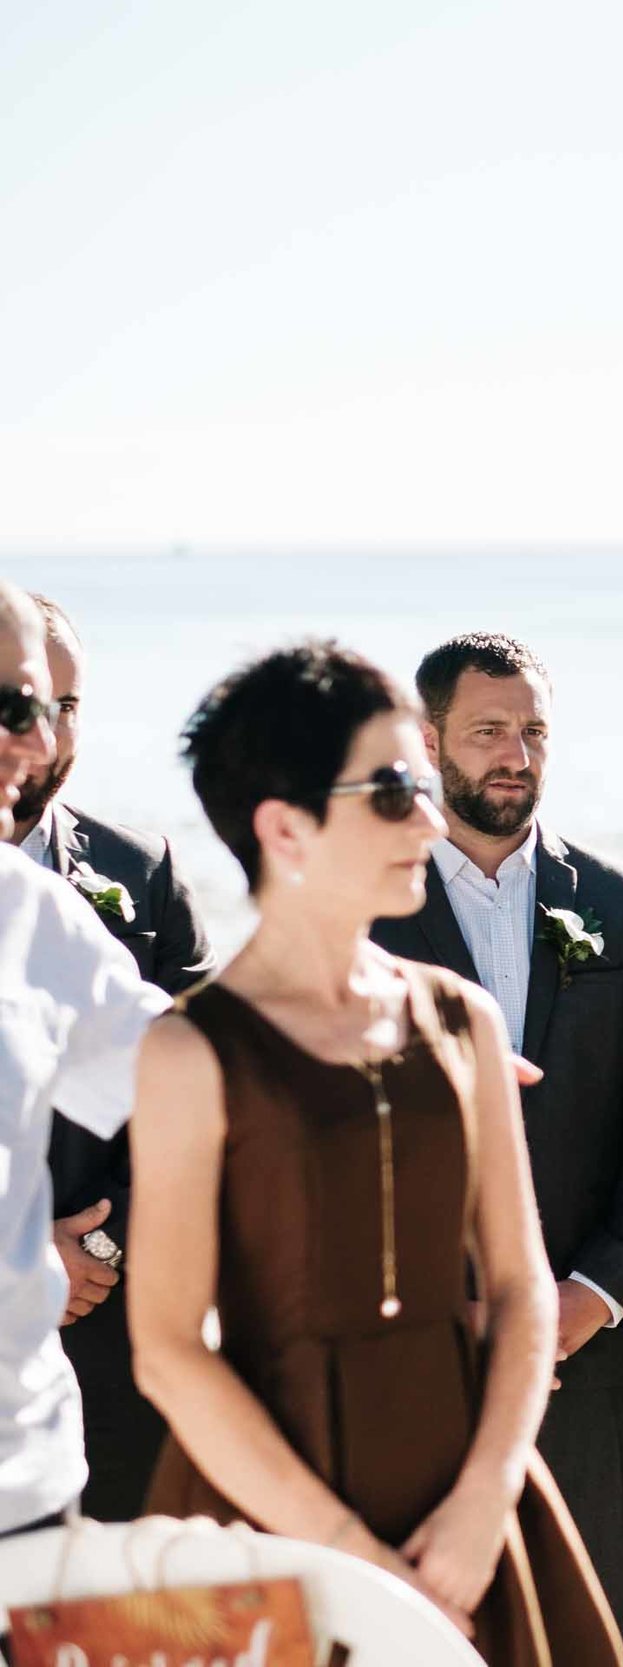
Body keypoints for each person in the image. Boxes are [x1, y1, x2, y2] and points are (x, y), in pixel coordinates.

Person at [127, 642, 623, 1667]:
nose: (433, 819)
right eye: (395, 790)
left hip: (473, 1508)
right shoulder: (188, 1050)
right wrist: (351, 1557)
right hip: (269, 1520)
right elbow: (171, 1349)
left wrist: (486, 1498)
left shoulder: (463, 1019)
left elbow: (524, 1288)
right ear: (285, 826)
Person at [369, 632, 623, 1667]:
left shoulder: (619, 904)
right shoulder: (371, 912)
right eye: (489, 732)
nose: (516, 754)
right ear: (429, 742)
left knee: (612, 1631)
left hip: (595, 1363)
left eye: (534, 732)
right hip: (420, 1355)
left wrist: (587, 1299)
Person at [11, 594, 218, 1520]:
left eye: (59, 707)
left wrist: (398, 1037)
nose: (39, 739)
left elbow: (186, 1071)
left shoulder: (48, 909)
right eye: (16, 707)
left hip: (49, 1423)